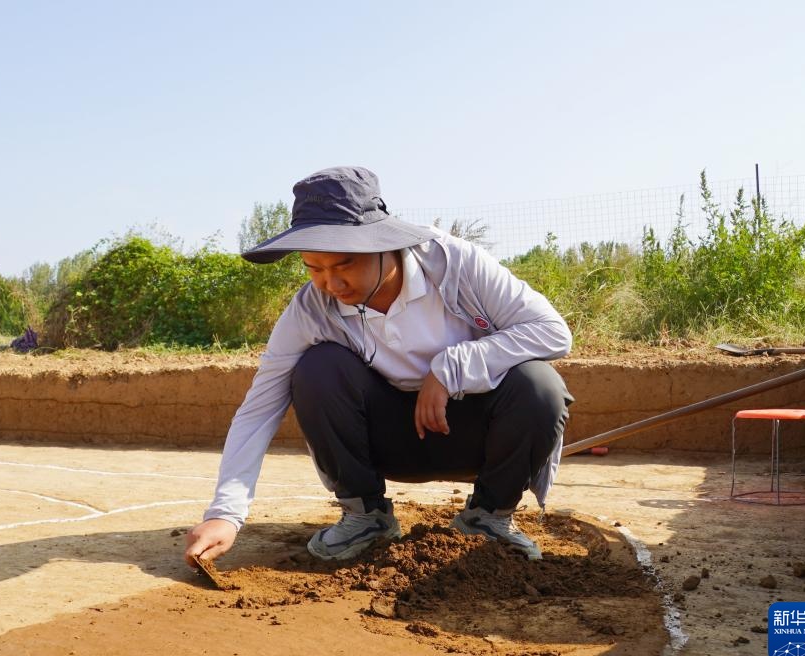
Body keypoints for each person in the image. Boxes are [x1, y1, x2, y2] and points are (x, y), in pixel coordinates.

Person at [185, 166, 572, 566]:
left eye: (344, 264)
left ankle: (489, 517)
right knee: (318, 368)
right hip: (385, 443)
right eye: (314, 268)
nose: (331, 285)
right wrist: (224, 515)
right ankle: (366, 516)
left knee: (539, 383)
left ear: (383, 245)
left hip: (474, 436)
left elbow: (552, 332)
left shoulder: (455, 264)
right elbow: (260, 407)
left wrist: (448, 368)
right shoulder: (312, 308)